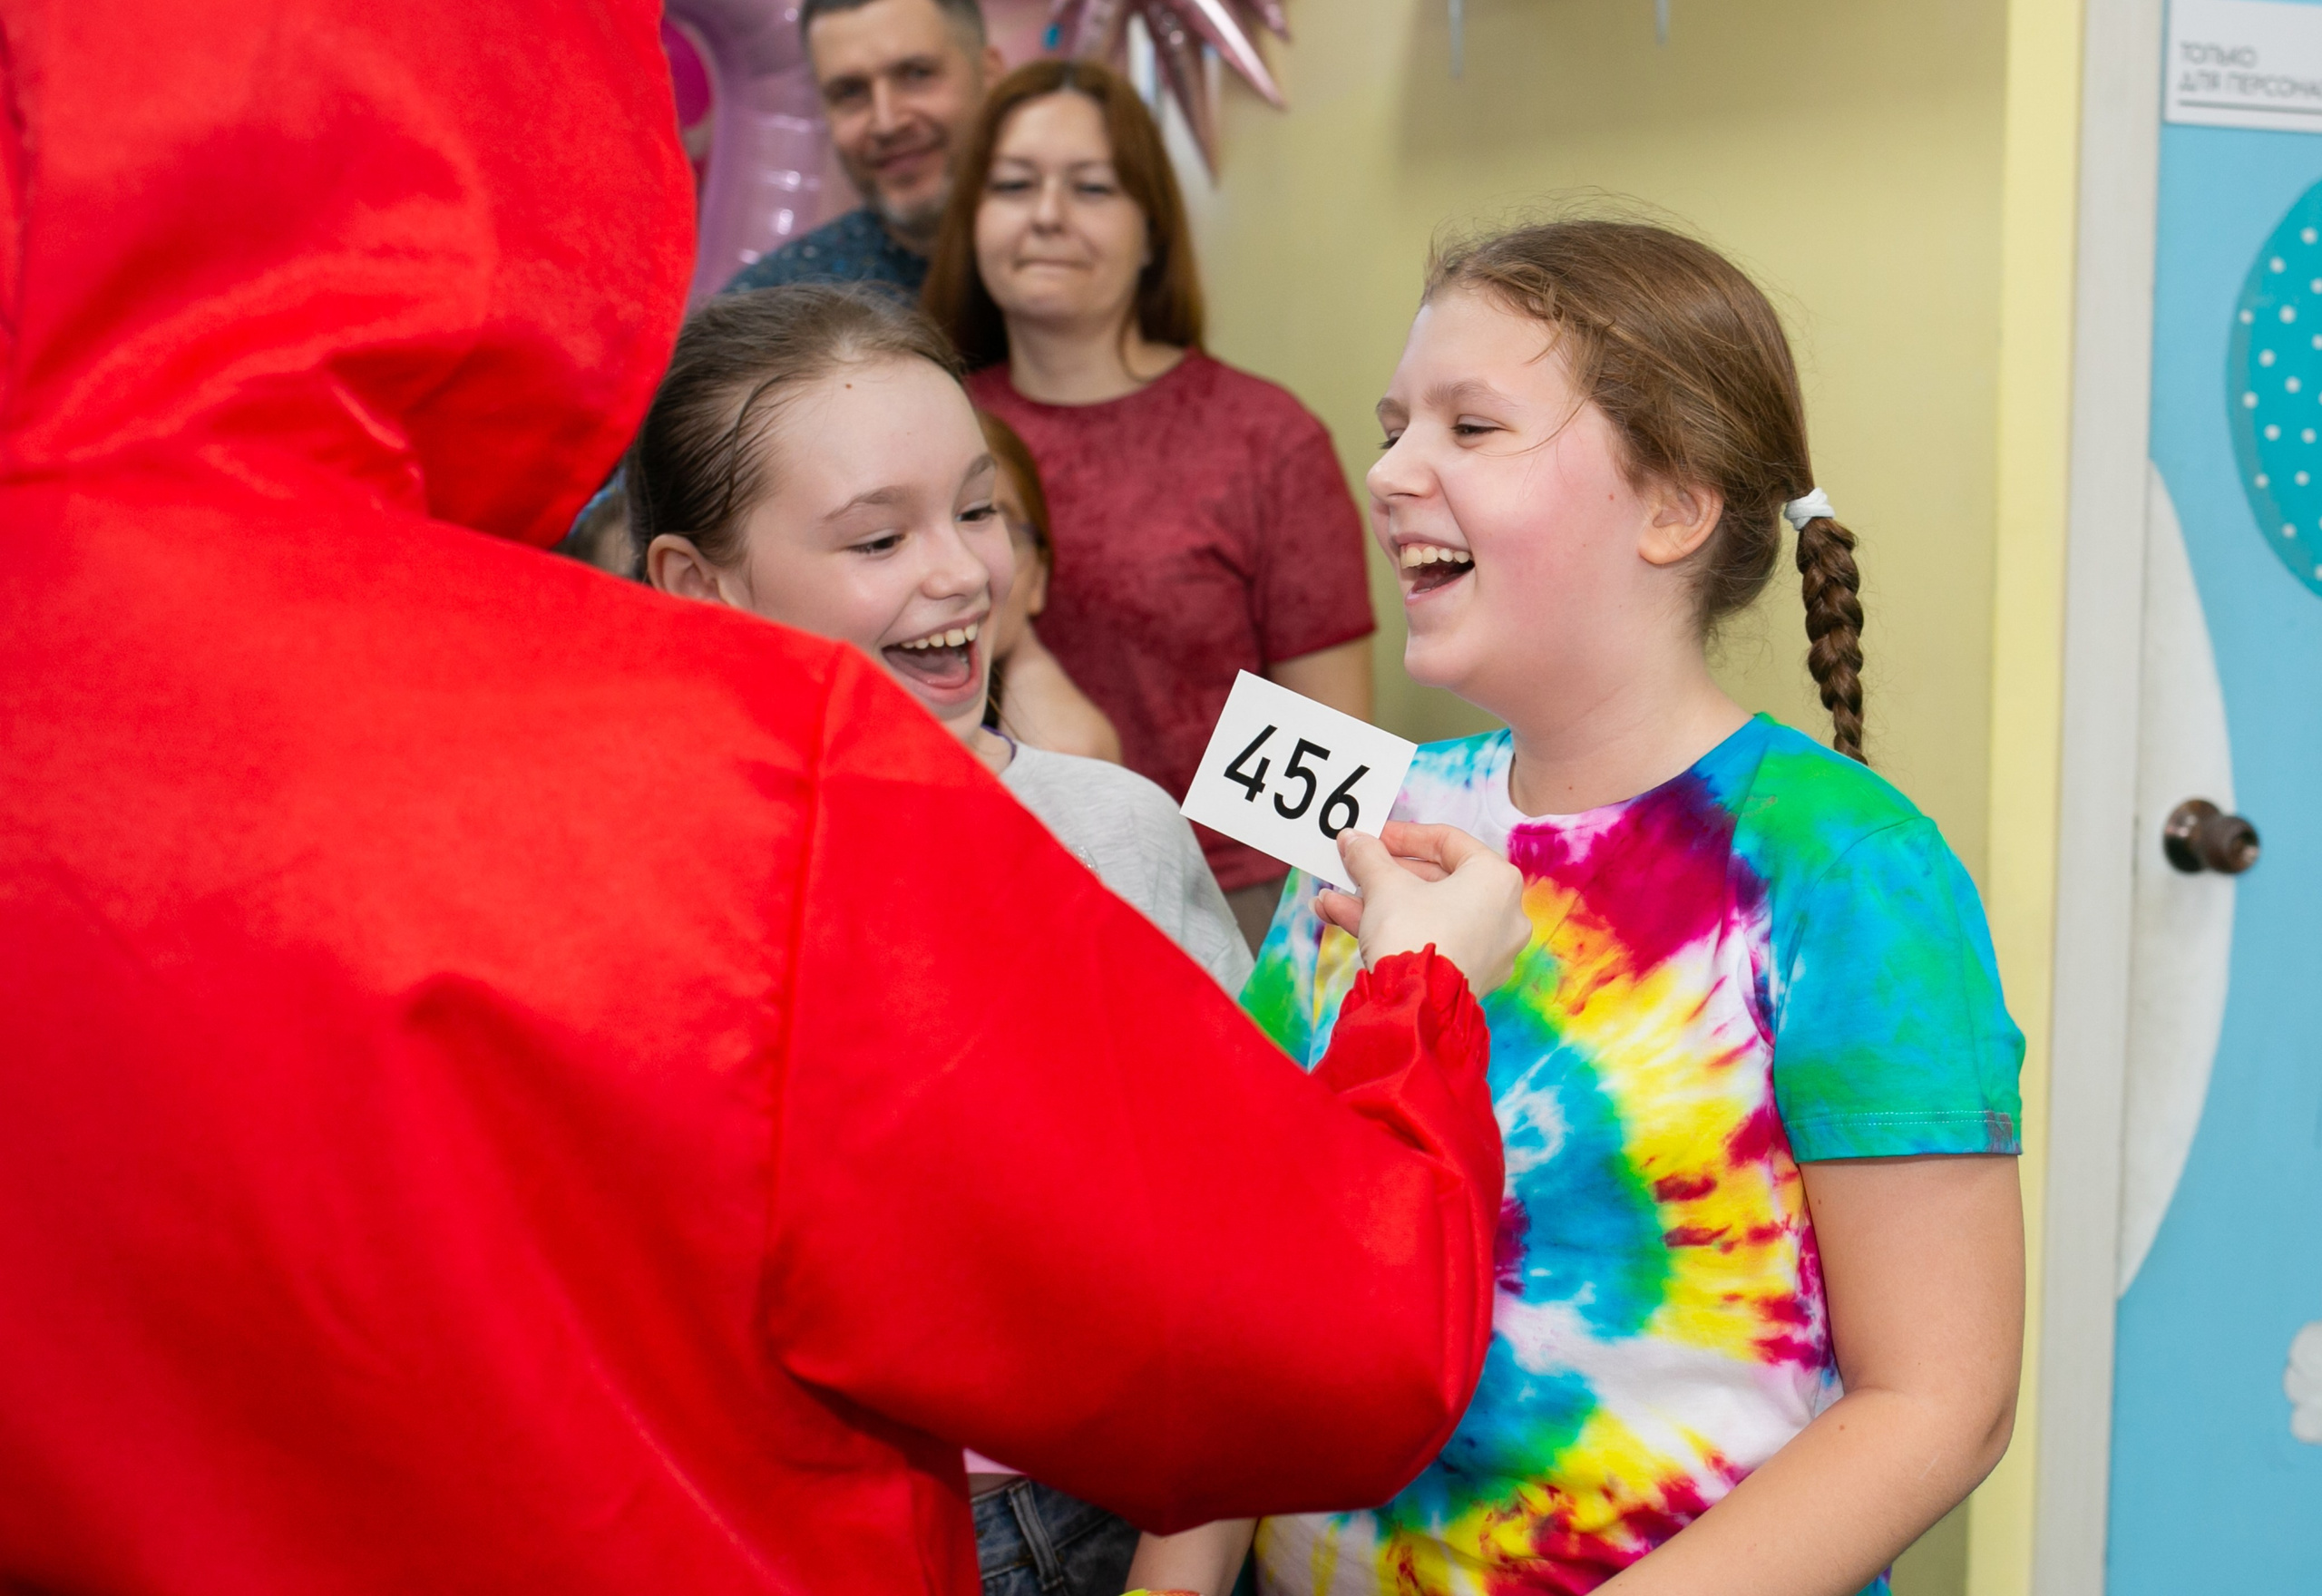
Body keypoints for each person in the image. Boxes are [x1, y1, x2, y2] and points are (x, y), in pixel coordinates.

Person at [0, 3, 1540, 1591]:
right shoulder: (748, 785)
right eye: (876, 541)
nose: (951, 571)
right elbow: (1297, 1337)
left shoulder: (1215, 487)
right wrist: (1415, 999)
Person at [1240, 220, 2028, 1596]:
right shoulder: (1371, 816)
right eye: (1392, 424)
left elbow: (1936, 1404)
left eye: (1471, 427)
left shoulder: (1841, 864)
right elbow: (1240, 1276)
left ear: (1674, 508)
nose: (1388, 473)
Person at [635, 283, 1256, 1596]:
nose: (962, 571)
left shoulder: (1111, 833)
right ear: (700, 585)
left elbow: (1239, 1249)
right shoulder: (640, 897)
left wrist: (1181, 1570)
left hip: (1126, 1514)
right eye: (877, 539)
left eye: (978, 510)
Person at [924, 61, 1377, 952]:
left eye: (1091, 186)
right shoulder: (924, 425)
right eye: (1013, 184)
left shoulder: (1262, 437)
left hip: (1223, 903)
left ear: (1150, 233)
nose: (1047, 213)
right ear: (972, 221)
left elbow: (1332, 762)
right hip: (976, 883)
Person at [726, 0, 1002, 297]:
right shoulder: (774, 306)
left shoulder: (1054, 266)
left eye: (916, 74)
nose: (887, 123)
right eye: (850, 92)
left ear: (989, 75)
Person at [980, 409, 1124, 763]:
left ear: (1038, 579)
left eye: (995, 530)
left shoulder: (1065, 752)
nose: (966, 571)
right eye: (884, 541)